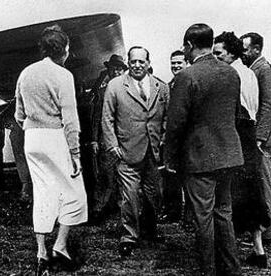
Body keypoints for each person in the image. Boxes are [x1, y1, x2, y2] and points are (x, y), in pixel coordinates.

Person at [164, 24, 243, 276]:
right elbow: (234, 114)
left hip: (199, 159)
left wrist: (170, 158)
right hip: (229, 155)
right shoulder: (231, 73)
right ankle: (231, 269)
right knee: (224, 214)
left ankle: (207, 270)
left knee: (203, 217)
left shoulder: (187, 76)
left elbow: (175, 123)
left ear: (188, 45)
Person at [14, 25, 87, 276]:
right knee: (74, 193)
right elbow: (70, 119)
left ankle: (41, 251)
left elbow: (18, 114)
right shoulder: (63, 75)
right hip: (55, 136)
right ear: (65, 50)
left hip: (32, 139)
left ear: (43, 48)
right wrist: (75, 153)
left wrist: (34, 125)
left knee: (43, 192)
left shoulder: (25, 73)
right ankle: (61, 244)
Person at [102, 46, 169, 257]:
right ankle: (129, 236)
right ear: (128, 63)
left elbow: (168, 117)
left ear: (148, 63)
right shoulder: (115, 86)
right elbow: (107, 118)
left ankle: (150, 229)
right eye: (133, 62)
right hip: (127, 151)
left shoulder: (161, 87)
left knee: (154, 194)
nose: (137, 65)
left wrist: (163, 140)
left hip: (154, 152)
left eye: (141, 62)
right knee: (129, 196)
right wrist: (113, 146)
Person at [213, 31, 270, 268]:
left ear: (231, 53)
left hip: (236, 133)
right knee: (252, 191)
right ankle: (258, 250)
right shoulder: (248, 73)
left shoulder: (229, 73)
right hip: (249, 135)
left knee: (231, 193)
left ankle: (229, 252)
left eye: (219, 53)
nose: (215, 58)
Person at [240, 32, 271, 249]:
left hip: (260, 140)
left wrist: (260, 137)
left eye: (245, 49)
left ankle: (265, 234)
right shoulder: (253, 70)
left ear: (256, 49)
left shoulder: (264, 70)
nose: (242, 53)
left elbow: (269, 105)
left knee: (262, 184)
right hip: (254, 139)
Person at [89, 54, 127, 221]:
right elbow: (96, 117)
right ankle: (99, 209)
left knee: (124, 176)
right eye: (114, 68)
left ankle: (122, 208)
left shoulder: (130, 89)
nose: (117, 71)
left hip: (126, 140)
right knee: (105, 176)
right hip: (107, 140)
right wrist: (94, 139)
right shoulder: (103, 92)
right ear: (109, 71)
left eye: (120, 68)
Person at [161, 49, 188, 225]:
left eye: (179, 62)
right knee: (170, 177)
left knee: (189, 179)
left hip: (187, 140)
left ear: (186, 63)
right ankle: (173, 212)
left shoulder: (190, 83)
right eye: (173, 63)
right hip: (171, 139)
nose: (176, 66)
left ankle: (190, 216)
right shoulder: (169, 86)